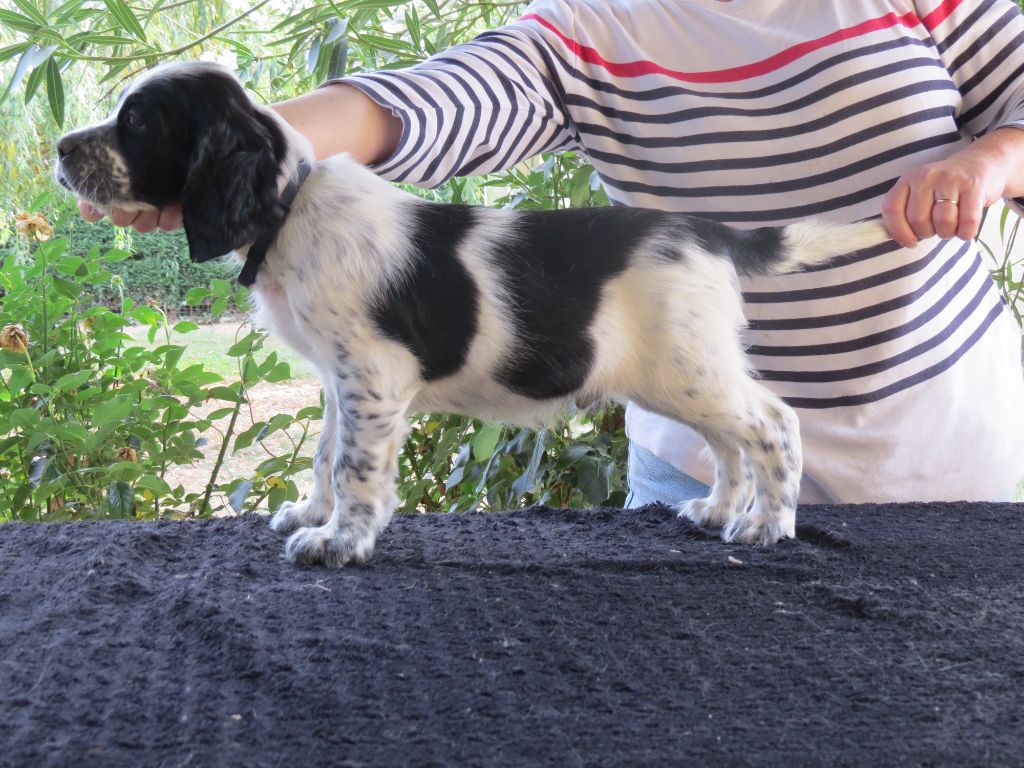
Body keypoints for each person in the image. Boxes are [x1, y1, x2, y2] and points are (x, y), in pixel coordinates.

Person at [82, 0, 1024, 504]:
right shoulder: (585, 25)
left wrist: (990, 157)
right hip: (693, 464)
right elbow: (437, 102)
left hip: (937, 451)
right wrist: (242, 151)